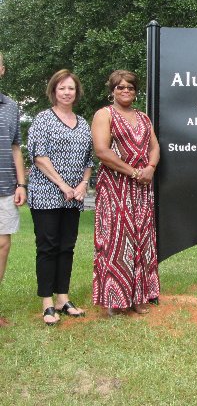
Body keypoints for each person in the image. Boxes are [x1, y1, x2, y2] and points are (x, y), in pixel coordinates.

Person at [92, 70, 160, 317]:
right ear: (112, 90)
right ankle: (115, 298)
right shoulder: (104, 115)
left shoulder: (143, 118)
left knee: (141, 239)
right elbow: (102, 151)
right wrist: (133, 172)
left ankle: (139, 296)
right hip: (116, 186)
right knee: (117, 240)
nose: (126, 91)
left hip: (142, 187)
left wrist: (150, 168)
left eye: (130, 87)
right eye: (120, 87)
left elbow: (155, 146)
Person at [28, 69, 93, 326]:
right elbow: (39, 157)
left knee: (67, 247)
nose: (67, 92)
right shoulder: (43, 119)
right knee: (48, 247)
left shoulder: (83, 123)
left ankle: (62, 299)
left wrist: (82, 184)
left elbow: (89, 159)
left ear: (77, 92)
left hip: (74, 197)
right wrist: (63, 185)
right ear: (53, 91)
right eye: (62, 88)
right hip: (46, 194)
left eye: (71, 88)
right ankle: (46, 303)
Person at [0, 53, 27, 327]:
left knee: (3, 245)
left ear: (2, 70)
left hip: (5, 186)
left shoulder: (10, 106)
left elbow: (15, 147)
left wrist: (21, 184)